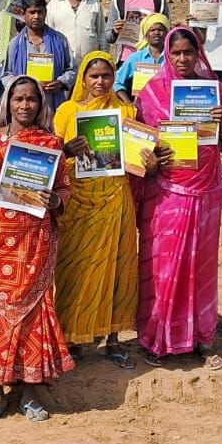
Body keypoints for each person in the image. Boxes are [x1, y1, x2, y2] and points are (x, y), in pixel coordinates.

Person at [0, 75, 75, 427]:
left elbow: (64, 188)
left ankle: (32, 389)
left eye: (31, 100)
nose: (25, 105)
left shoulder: (51, 143)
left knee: (33, 313)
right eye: (18, 99)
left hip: (35, 238)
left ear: (40, 104)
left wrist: (56, 200)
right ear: (7, 102)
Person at [53, 51, 165, 368]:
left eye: (106, 75)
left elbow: (141, 152)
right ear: (83, 79)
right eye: (94, 76)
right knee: (74, 267)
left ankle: (114, 338)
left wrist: (150, 161)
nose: (100, 81)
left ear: (114, 77)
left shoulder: (126, 112)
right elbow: (53, 153)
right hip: (79, 199)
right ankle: (72, 335)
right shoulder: (67, 111)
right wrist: (66, 149)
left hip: (115, 198)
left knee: (118, 267)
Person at [133, 27, 222, 370]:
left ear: (198, 52)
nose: (183, 59)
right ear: (167, 55)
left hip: (206, 190)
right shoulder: (151, 93)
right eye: (176, 53)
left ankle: (201, 338)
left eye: (189, 52)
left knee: (201, 268)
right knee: (165, 267)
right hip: (167, 191)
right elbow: (140, 142)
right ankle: (158, 340)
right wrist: (151, 160)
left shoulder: (214, 91)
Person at [3, 0, 75, 111]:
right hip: (25, 107)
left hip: (52, 102)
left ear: (45, 13)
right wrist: (22, 85)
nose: (36, 16)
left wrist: (61, 82)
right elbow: (6, 75)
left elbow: (72, 69)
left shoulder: (59, 40)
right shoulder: (15, 44)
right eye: (32, 12)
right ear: (23, 14)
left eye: (40, 12)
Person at [47, 0, 107, 66]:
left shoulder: (94, 3)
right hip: (62, 64)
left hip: (89, 65)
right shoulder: (54, 5)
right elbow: (47, 36)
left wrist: (104, 60)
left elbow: (102, 35)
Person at [114, 12, 170, 99]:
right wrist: (129, 103)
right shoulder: (136, 58)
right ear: (146, 35)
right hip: (141, 109)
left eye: (160, 30)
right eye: (152, 30)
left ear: (166, 33)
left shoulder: (172, 58)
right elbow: (117, 82)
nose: (156, 33)